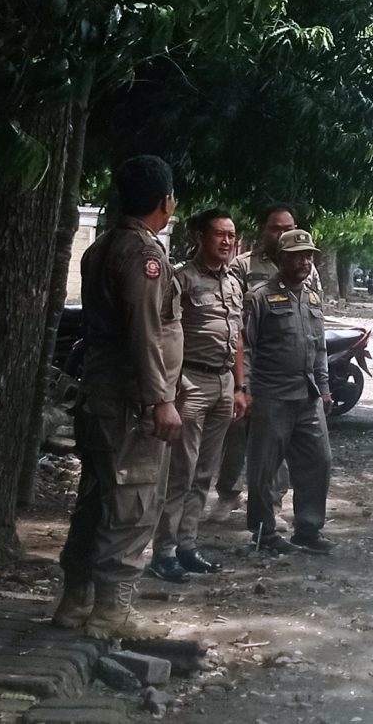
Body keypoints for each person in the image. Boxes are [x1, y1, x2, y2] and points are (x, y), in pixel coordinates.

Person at [53, 156, 183, 640]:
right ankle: (112, 613)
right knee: (132, 504)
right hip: (130, 404)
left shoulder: (102, 246)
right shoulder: (142, 255)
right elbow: (145, 331)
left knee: (95, 499)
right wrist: (160, 400)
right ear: (165, 201)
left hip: (100, 396)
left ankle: (75, 600)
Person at [147, 209, 245, 584]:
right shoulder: (181, 280)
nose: (226, 242)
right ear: (200, 237)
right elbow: (163, 334)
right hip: (191, 383)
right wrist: (171, 388)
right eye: (219, 234)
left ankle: (187, 546)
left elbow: (237, 338)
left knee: (205, 472)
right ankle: (165, 551)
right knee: (180, 472)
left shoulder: (234, 281)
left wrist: (239, 387)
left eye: (231, 235)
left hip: (223, 385)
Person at [241, 228, 336, 555]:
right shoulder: (259, 298)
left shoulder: (312, 297)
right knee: (265, 468)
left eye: (308, 256)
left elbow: (319, 347)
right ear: (280, 259)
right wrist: (245, 391)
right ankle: (263, 533)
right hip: (271, 396)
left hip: (307, 396)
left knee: (319, 460)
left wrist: (324, 387)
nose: (303, 262)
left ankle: (308, 529)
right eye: (296, 256)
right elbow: (246, 350)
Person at [218, 202, 309, 509]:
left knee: (279, 440)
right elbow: (232, 323)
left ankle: (272, 503)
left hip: (284, 376)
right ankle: (228, 493)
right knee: (236, 434)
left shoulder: (305, 269)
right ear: (263, 229)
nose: (284, 233)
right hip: (246, 367)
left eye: (289, 228)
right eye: (276, 228)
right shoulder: (242, 267)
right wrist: (240, 382)